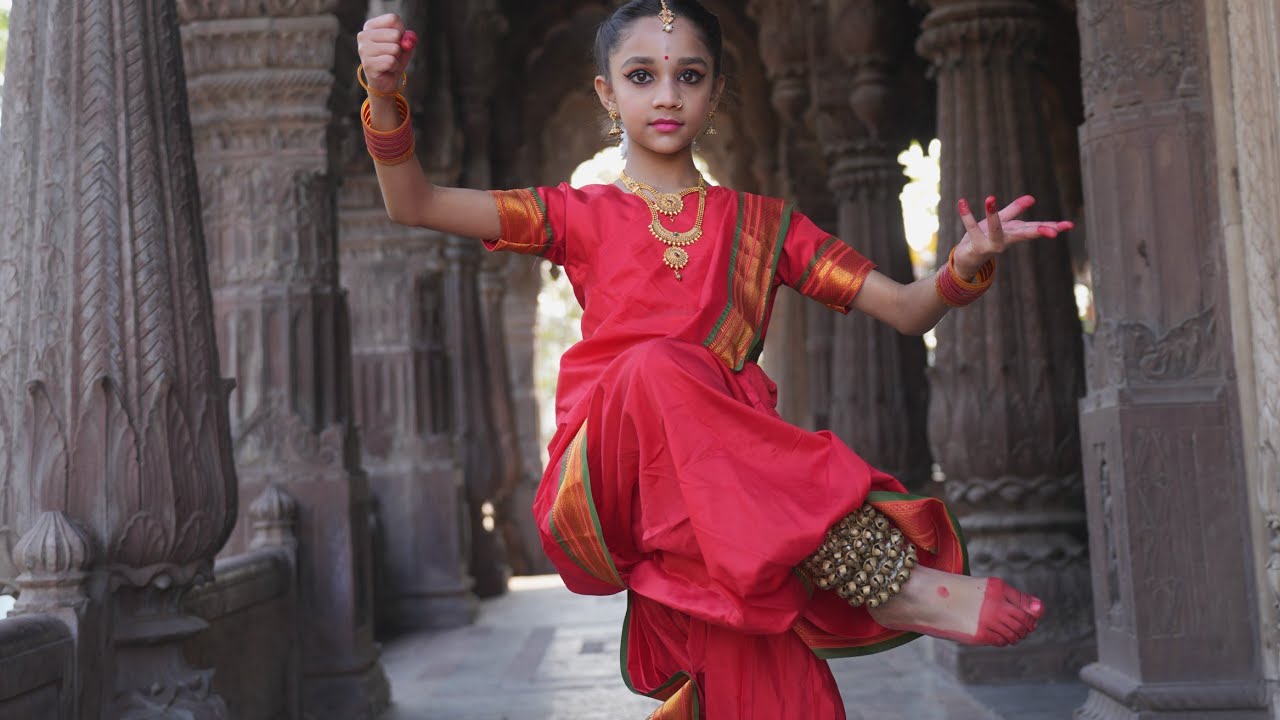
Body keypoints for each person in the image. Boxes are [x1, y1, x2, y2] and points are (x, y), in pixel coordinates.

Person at [357, 1, 1069, 717]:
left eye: (688, 75)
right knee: (657, 365)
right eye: (641, 75)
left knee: (782, 692)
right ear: (607, 92)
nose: (667, 94)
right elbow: (413, 201)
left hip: (727, 503)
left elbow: (909, 309)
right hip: (612, 476)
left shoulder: (764, 226)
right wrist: (384, 96)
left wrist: (965, 265)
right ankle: (890, 581)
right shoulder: (571, 212)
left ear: (715, 91)